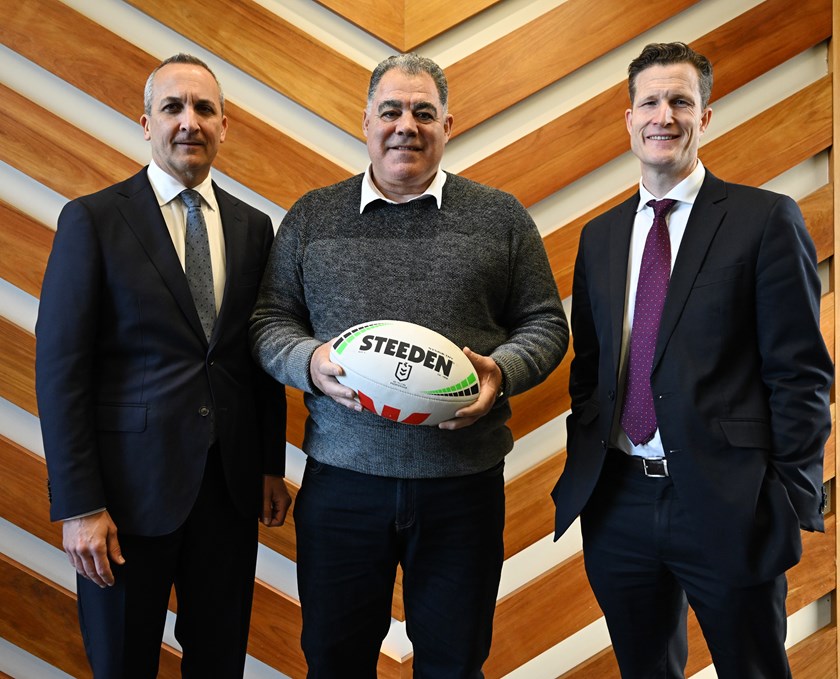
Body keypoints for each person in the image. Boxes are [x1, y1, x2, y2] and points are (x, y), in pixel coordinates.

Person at [250, 53, 568, 677]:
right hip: (342, 483)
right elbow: (268, 321)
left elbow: (546, 322)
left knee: (454, 662)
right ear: (366, 121)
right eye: (391, 111)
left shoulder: (500, 217)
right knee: (335, 661)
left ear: (447, 125)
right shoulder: (313, 216)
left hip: (462, 487)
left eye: (424, 113)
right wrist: (309, 360)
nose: (406, 126)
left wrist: (501, 370)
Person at [551, 42, 833, 678]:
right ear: (629, 119)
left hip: (730, 501)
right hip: (619, 501)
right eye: (649, 102)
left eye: (680, 101)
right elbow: (590, 368)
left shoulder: (764, 219)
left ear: (704, 117)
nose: (664, 116)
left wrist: (786, 494)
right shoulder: (600, 236)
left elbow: (801, 374)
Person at [35, 53, 290, 678]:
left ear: (224, 125)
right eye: (172, 107)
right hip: (124, 501)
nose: (189, 122)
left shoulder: (255, 228)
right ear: (146, 123)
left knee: (220, 664)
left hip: (228, 494)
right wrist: (79, 505)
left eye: (204, 108)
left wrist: (269, 464)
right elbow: (61, 370)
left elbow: (257, 354)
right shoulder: (93, 219)